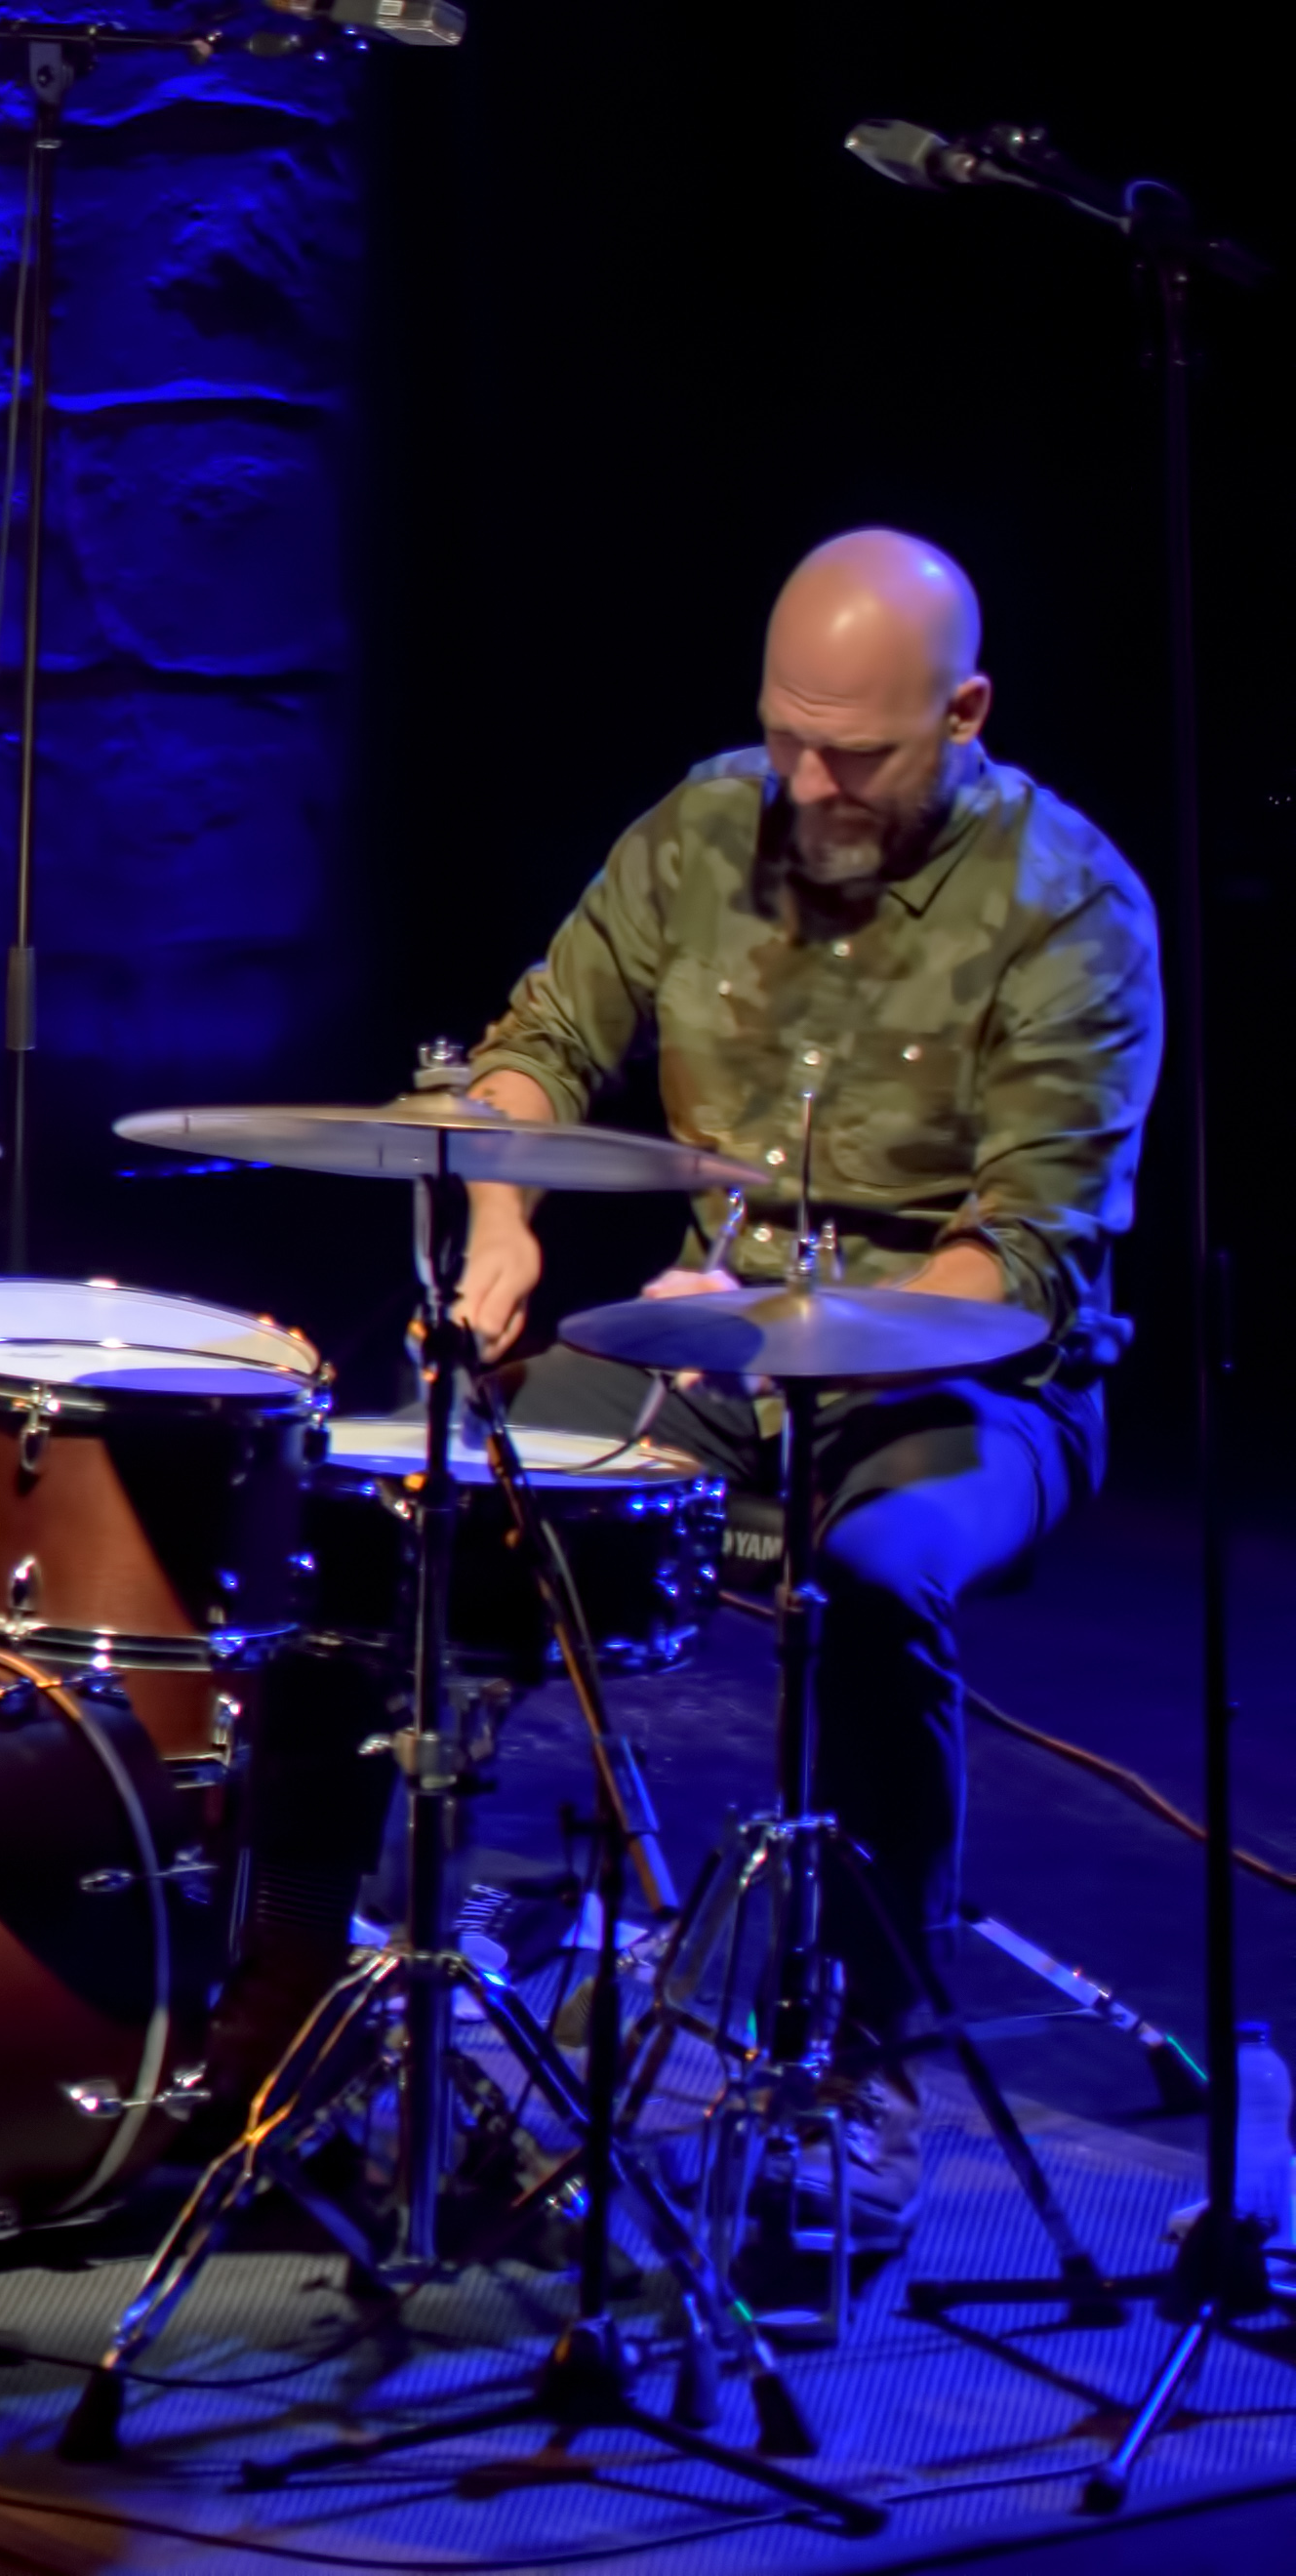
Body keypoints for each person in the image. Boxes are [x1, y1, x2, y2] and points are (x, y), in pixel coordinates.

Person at [440, 527, 1162, 2251]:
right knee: (449, 1498)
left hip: (983, 1387)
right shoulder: (702, 828)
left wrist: (785, 1325)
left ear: (966, 712)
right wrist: (499, 1226)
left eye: (858, 753)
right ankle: (436, 1972)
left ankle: (854, 2063)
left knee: (872, 1577)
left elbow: (1030, 1259)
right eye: (786, 737)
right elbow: (535, 1045)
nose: (809, 781)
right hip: (711, 1341)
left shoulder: (1068, 905)